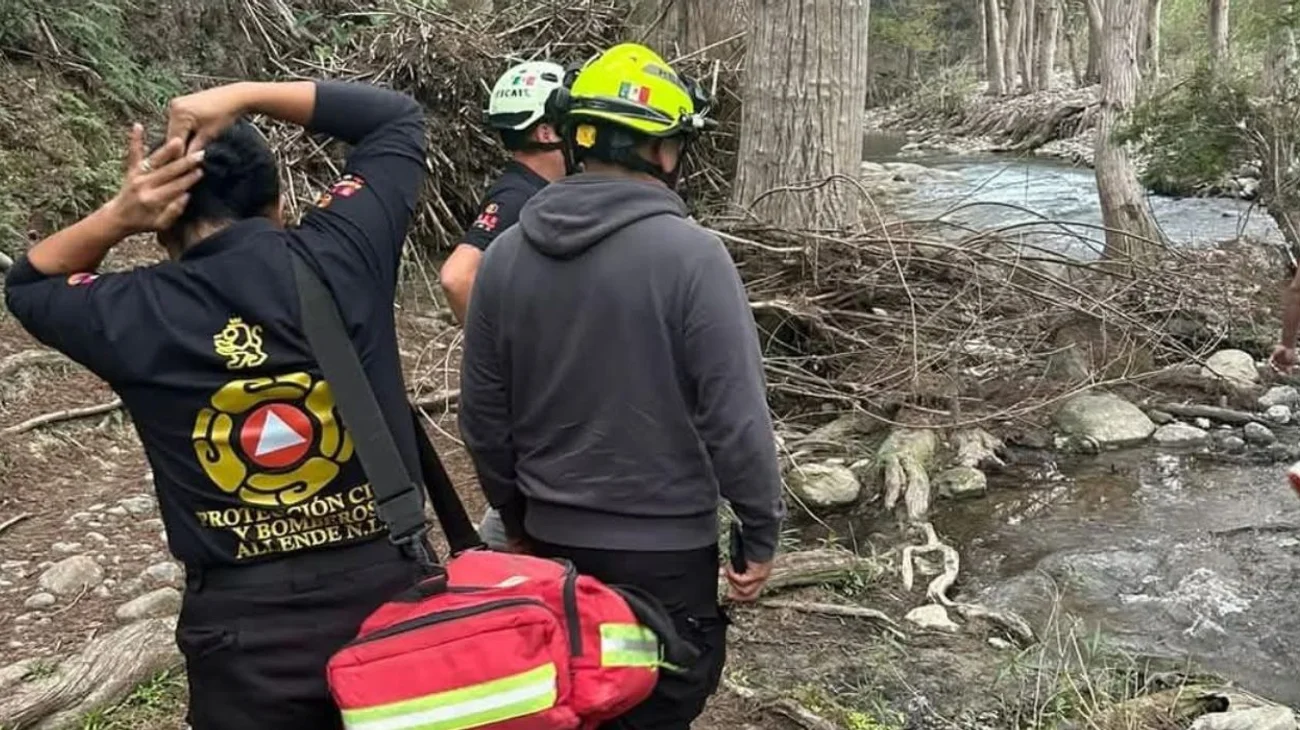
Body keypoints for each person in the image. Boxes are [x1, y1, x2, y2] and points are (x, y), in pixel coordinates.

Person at [5, 79, 430, 730]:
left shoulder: (129, 310)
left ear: (162, 218)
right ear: (278, 201)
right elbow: (395, 120)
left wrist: (119, 215)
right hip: (388, 601)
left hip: (242, 636)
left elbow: (32, 281)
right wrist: (246, 95)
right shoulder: (342, 250)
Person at [458, 43, 787, 729]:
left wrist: (515, 519)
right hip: (667, 559)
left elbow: (484, 419)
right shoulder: (694, 256)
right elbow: (735, 417)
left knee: (564, 707)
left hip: (549, 549)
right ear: (662, 151)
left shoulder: (506, 256)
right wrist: (758, 531)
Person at [439, 60, 568, 549]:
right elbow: (457, 276)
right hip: (527, 399)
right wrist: (500, 355)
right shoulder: (518, 198)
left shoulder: (537, 192)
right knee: (513, 528)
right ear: (546, 129)